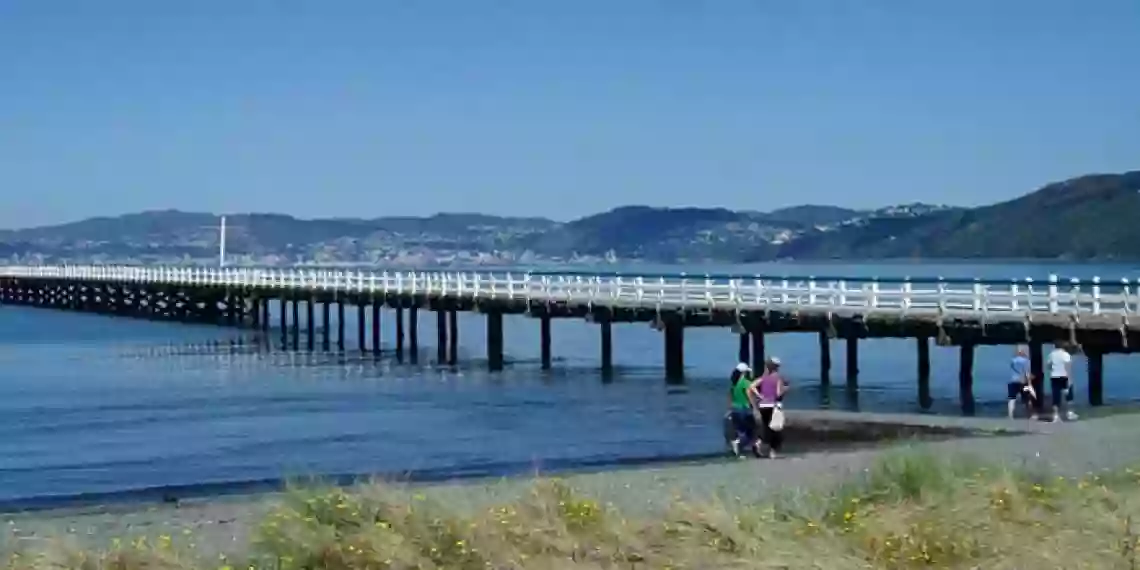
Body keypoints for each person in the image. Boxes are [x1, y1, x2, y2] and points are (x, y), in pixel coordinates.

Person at [749, 356, 787, 458]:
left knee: (766, 427)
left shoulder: (763, 377)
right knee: (775, 429)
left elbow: (752, 386)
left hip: (763, 405)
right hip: (772, 405)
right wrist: (785, 390)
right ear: (777, 367)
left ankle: (759, 443)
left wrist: (759, 395)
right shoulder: (778, 378)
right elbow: (778, 394)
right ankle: (772, 452)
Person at [726, 362, 758, 458]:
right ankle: (740, 445)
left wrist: (730, 407)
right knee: (751, 432)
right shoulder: (746, 382)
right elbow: (749, 395)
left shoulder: (733, 383)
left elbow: (729, 396)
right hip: (745, 409)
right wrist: (755, 407)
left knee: (740, 430)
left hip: (735, 409)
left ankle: (739, 450)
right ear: (744, 373)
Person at [1047, 342, 1078, 422]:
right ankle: (1069, 413)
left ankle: (1056, 416)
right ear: (1063, 347)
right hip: (1064, 376)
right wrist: (1070, 379)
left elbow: (1049, 366)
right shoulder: (1065, 354)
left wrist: (1054, 369)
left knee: (1056, 396)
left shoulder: (1051, 354)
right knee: (1069, 395)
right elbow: (1068, 367)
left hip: (1054, 377)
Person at [1007, 346, 1036, 420]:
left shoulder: (1013, 360)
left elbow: (1012, 370)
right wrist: (1030, 383)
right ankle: (1029, 415)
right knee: (1027, 399)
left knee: (1012, 399)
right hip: (1023, 382)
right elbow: (1027, 373)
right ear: (1023, 352)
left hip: (1012, 381)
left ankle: (1010, 415)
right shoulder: (1026, 361)